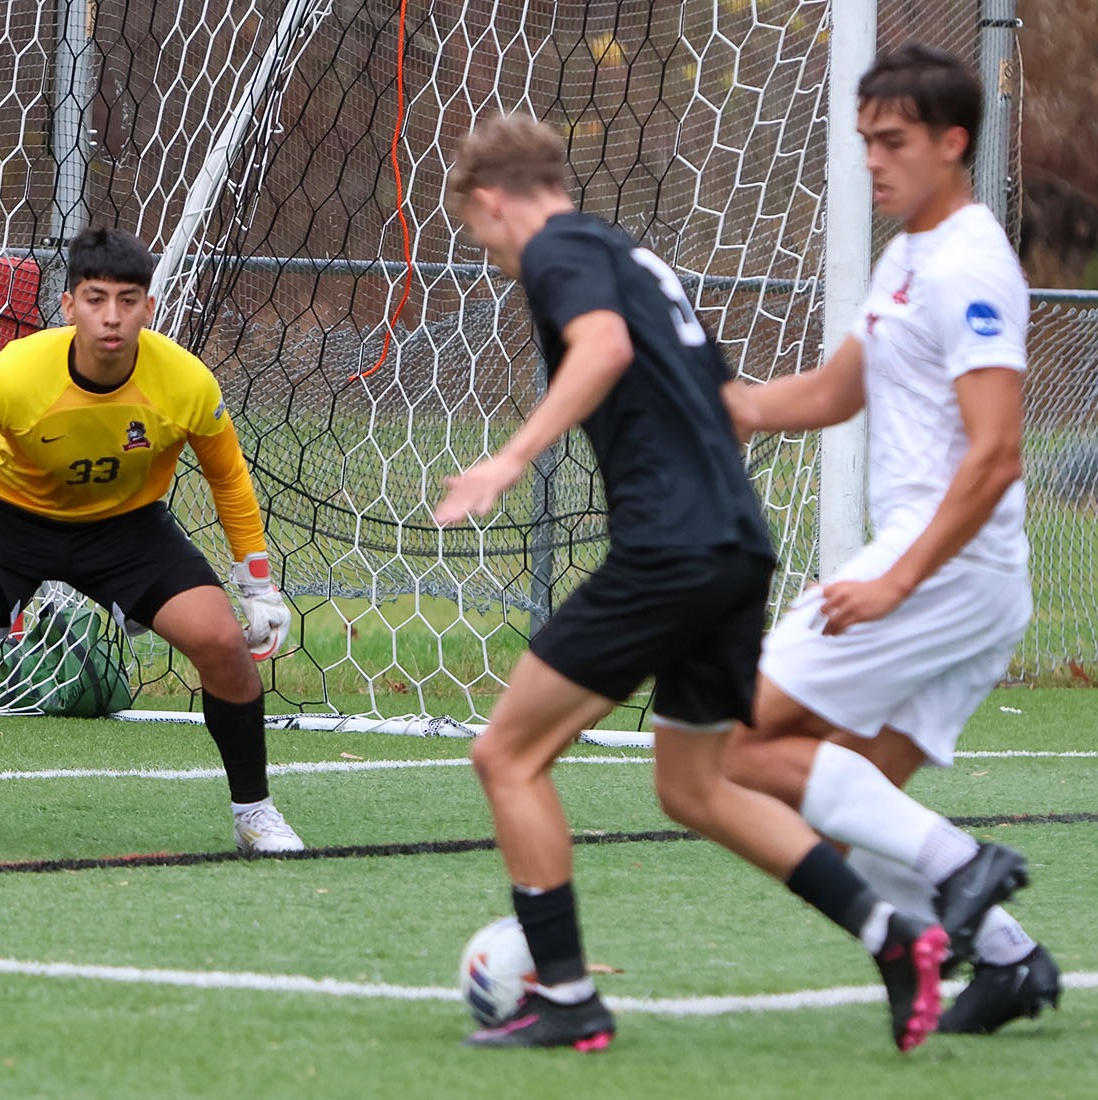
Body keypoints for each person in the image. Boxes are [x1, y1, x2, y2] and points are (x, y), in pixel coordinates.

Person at [435, 113, 947, 1052]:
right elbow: (716, 401)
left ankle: (568, 1000)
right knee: (696, 787)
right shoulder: (635, 260)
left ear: (492, 199)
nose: (493, 255)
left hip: (669, 553)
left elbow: (602, 350)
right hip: (735, 548)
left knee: (506, 756)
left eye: (480, 235)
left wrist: (508, 459)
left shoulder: (560, 250)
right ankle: (895, 935)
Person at [722, 42, 1057, 1035]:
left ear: (952, 142)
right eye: (864, 139)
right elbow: (835, 388)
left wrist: (892, 580)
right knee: (845, 792)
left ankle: (963, 868)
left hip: (941, 569)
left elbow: (994, 457)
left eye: (893, 140)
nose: (871, 158)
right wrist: (729, 406)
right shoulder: (908, 251)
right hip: (959, 575)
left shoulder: (966, 265)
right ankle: (1007, 959)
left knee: (730, 740)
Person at [0, 226, 305, 855]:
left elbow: (228, 478)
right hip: (7, 515)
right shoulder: (15, 376)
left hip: (126, 525)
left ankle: (255, 813)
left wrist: (257, 585)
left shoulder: (186, 384)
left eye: (128, 299)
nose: (111, 317)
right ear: (68, 306)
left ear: (150, 307)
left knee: (222, 642)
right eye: (95, 299)